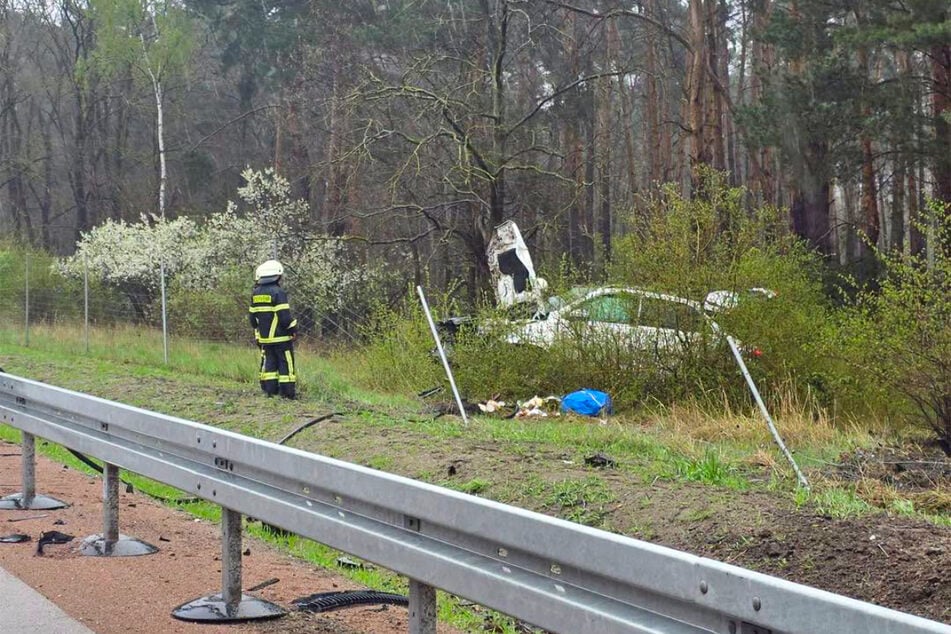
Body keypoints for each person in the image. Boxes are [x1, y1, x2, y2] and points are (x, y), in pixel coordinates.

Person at [249, 259, 298, 399]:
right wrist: (293, 328)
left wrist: (260, 333)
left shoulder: (255, 294)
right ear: (278, 276)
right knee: (285, 363)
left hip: (265, 339)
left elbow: (252, 319)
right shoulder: (278, 293)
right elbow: (284, 318)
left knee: (269, 363)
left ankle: (270, 391)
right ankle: (287, 393)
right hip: (282, 338)